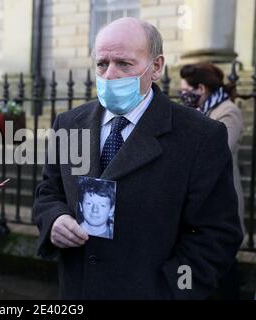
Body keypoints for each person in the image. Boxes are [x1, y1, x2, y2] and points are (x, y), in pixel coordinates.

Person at [33, 17, 243, 299]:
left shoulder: (201, 137)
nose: (109, 74)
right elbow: (48, 192)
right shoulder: (69, 124)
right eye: (102, 63)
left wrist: (171, 290)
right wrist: (54, 220)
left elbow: (217, 235)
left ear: (156, 67)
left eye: (124, 63)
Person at [179, 63, 245, 234]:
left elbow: (220, 151)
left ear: (200, 88)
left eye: (185, 90)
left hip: (221, 195)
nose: (182, 96)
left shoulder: (228, 111)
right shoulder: (200, 111)